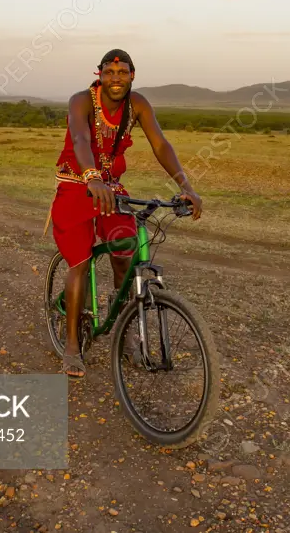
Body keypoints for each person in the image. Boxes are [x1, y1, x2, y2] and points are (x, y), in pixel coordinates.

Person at [48, 48, 202, 378]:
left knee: (125, 253)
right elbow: (80, 136)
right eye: (109, 72)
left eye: (122, 73)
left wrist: (186, 185)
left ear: (133, 75)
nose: (115, 78)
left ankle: (126, 333)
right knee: (80, 260)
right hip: (77, 184)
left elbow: (160, 144)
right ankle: (73, 346)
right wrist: (91, 177)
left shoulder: (139, 104)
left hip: (111, 187)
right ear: (99, 74)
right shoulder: (82, 101)